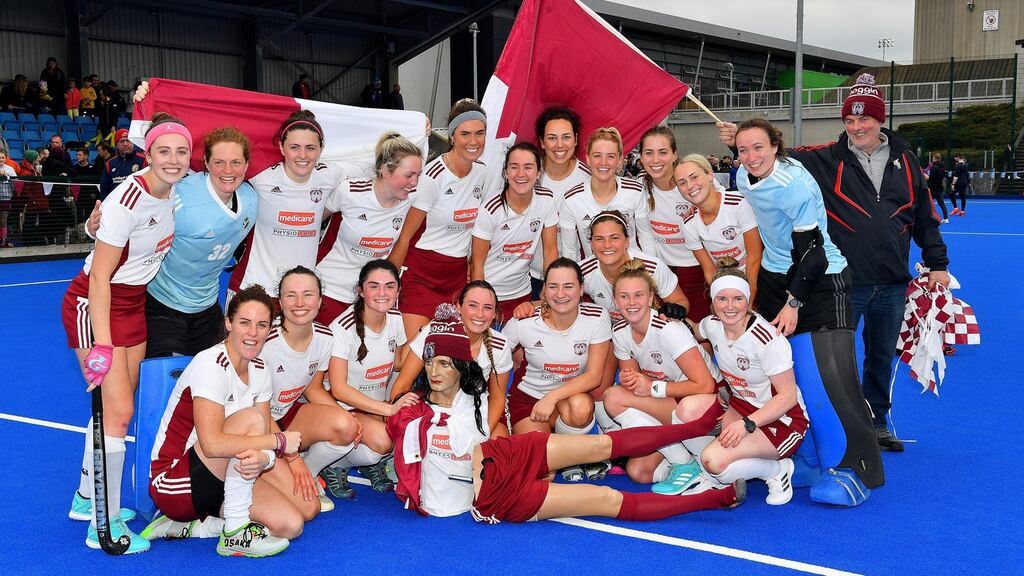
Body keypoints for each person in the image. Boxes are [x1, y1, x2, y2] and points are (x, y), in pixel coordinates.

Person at [718, 73, 949, 452]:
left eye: (866, 119)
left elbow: (923, 216)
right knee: (838, 363)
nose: (858, 127)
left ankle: (876, 421)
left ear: (880, 119)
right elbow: (770, 156)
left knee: (879, 356)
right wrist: (739, 141)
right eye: (850, 120)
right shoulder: (823, 158)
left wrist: (937, 261)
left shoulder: (906, 161)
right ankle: (842, 428)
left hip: (892, 281)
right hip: (845, 280)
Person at [386, 309, 744, 521]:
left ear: (462, 369)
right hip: (494, 498)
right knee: (605, 500)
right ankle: (715, 498)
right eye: (430, 363)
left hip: (505, 456)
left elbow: (492, 410)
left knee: (603, 445)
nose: (435, 371)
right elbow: (401, 449)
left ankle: (697, 427)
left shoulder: (474, 395)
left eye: (445, 364)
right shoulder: (412, 414)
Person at [61, 114, 191, 553]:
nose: (173, 160)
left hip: (133, 307)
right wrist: (101, 341)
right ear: (148, 154)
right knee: (116, 414)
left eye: (181, 151)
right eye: (163, 151)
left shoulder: (173, 195)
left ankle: (85, 497)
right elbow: (98, 279)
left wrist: (91, 228)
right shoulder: (127, 199)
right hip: (95, 305)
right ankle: (104, 525)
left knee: (119, 412)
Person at [141, 285, 311, 557]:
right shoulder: (211, 364)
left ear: (270, 330)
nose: (253, 332)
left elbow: (262, 438)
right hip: (174, 483)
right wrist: (280, 442)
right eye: (244, 322)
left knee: (293, 522)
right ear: (228, 323)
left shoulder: (260, 369)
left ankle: (198, 526)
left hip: (224, 476)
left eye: (261, 325)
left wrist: (265, 458)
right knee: (252, 419)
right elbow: (212, 445)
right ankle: (234, 531)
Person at [87, 127, 259, 358]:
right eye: (219, 162)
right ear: (205, 163)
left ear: (247, 165)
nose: (228, 171)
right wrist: (94, 227)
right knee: (165, 383)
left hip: (207, 307)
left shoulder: (252, 199)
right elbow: (135, 214)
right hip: (161, 305)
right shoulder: (181, 196)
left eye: (236, 163)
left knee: (211, 383)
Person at [678, 261, 808, 506]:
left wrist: (747, 425)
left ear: (748, 301)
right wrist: (675, 318)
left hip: (782, 421)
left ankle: (776, 471)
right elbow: (696, 330)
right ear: (713, 302)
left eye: (737, 299)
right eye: (722, 299)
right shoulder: (713, 325)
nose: (729, 307)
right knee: (686, 410)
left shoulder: (767, 339)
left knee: (713, 460)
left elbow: (788, 396)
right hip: (740, 407)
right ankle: (714, 474)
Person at [601, 259, 722, 492]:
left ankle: (685, 464)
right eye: (624, 296)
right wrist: (631, 380)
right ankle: (688, 462)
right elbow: (633, 381)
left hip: (705, 406)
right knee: (639, 471)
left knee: (613, 398)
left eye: (638, 295)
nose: (631, 302)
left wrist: (653, 388)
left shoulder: (669, 329)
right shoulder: (620, 333)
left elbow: (706, 385)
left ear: (650, 298)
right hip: (671, 403)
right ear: (615, 301)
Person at [732, 118, 850, 337]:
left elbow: (814, 257)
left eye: (758, 147)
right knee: (776, 364)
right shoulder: (742, 176)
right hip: (774, 275)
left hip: (818, 276)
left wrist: (792, 304)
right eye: (743, 150)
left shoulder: (793, 185)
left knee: (830, 368)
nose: (751, 157)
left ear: (775, 146)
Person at [260, 267, 364, 512]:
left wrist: (348, 418)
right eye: (291, 295)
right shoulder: (264, 341)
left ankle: (309, 472)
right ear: (280, 301)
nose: (299, 303)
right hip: (256, 424)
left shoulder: (325, 337)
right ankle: (288, 473)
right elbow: (258, 411)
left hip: (288, 416)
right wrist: (291, 457)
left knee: (346, 426)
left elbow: (314, 389)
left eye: (307, 295)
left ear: (319, 300)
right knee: (304, 507)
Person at [389, 98, 490, 341]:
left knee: (448, 356)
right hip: (422, 275)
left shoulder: (484, 173)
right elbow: (405, 237)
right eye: (465, 133)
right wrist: (389, 284)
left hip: (456, 278)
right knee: (413, 356)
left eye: (480, 133)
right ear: (452, 136)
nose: (473, 141)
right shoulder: (433, 176)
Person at [501, 258, 610, 481]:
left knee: (580, 406)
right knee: (543, 475)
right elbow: (493, 357)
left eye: (568, 286)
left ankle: (571, 456)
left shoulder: (597, 317)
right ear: (543, 291)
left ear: (581, 290)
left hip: (568, 400)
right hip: (529, 401)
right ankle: (573, 450)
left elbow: (594, 376)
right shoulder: (523, 321)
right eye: (553, 286)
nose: (560, 294)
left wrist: (551, 397)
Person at [228, 110, 352, 301]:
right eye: (294, 147)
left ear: (321, 148)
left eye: (310, 148)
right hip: (253, 288)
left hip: (299, 295)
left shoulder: (331, 175)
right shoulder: (261, 177)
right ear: (281, 147)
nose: (302, 155)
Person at [322, 260, 415, 498]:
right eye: (374, 286)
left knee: (411, 424)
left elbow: (397, 365)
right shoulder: (343, 328)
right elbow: (339, 389)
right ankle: (334, 465)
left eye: (389, 286)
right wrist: (386, 409)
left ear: (398, 291)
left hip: (375, 404)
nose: (382, 293)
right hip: (342, 407)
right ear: (360, 290)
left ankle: (370, 462)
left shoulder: (395, 318)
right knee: (384, 441)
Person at [315, 131, 421, 325]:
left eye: (417, 175)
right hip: (329, 289)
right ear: (384, 169)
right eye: (408, 175)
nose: (414, 182)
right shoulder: (350, 192)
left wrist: (423, 129)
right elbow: (312, 222)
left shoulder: (411, 197)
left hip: (369, 299)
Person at [392, 282, 513, 437]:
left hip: (473, 411)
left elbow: (497, 398)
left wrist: (481, 433)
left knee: (500, 441)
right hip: (432, 410)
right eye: (473, 305)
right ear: (458, 307)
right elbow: (401, 386)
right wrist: (405, 424)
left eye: (487, 308)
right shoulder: (434, 330)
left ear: (495, 313)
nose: (480, 314)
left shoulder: (500, 344)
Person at [471, 142, 558, 320]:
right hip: (491, 294)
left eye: (528, 167)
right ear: (505, 172)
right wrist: (483, 303)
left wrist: (551, 285)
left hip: (523, 294)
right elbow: (477, 264)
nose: (521, 174)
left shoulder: (546, 200)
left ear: (538, 173)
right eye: (514, 167)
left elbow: (550, 249)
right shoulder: (491, 209)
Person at [637, 125, 708, 321]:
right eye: (649, 153)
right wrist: (654, 272)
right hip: (663, 273)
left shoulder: (692, 182)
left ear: (675, 154)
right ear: (641, 157)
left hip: (698, 270)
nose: (655, 160)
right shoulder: (640, 188)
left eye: (663, 152)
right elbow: (646, 235)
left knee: (701, 329)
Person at [559, 127, 656, 261]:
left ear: (620, 160)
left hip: (632, 272)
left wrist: (650, 273)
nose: (603, 162)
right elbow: (570, 252)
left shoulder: (635, 191)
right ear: (587, 158)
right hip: (594, 275)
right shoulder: (571, 199)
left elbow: (646, 237)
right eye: (597, 155)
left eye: (610, 156)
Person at [676, 154, 762, 304]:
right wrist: (723, 299)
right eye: (682, 183)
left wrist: (748, 303)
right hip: (727, 284)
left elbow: (754, 259)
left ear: (710, 175)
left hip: (758, 279)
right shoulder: (688, 223)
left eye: (694, 177)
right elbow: (709, 270)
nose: (689, 186)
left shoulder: (738, 204)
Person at [532, 106, 591, 295]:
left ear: (575, 139)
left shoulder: (589, 178)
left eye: (566, 137)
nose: (559, 145)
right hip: (531, 274)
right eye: (552, 138)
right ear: (542, 142)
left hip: (575, 276)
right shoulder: (527, 174)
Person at [99, 128, 147, 200]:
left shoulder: (144, 161)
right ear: (116, 145)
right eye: (122, 141)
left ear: (133, 143)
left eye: (128, 141)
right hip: (115, 206)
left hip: (138, 205)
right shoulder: (110, 164)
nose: (125, 144)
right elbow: (104, 189)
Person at [927, 153, 949, 223]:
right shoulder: (942, 168)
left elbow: (931, 179)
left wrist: (928, 185)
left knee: (928, 203)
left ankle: (929, 217)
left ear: (935, 158)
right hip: (939, 187)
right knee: (941, 203)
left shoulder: (934, 167)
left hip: (933, 188)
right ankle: (946, 218)